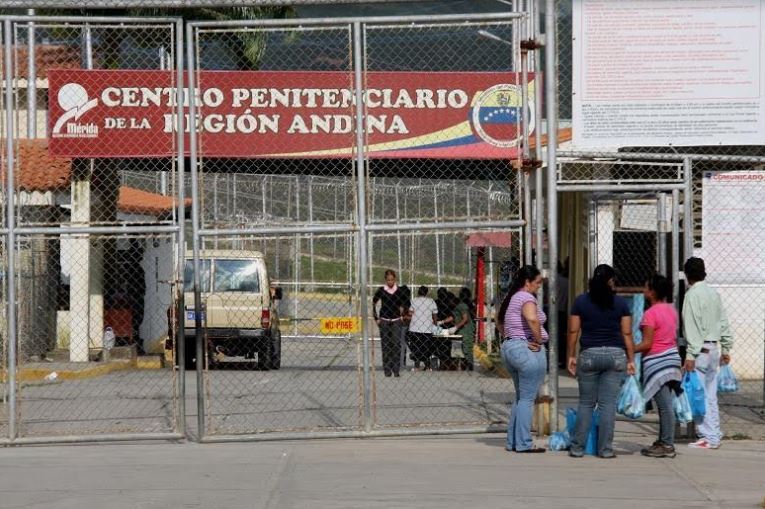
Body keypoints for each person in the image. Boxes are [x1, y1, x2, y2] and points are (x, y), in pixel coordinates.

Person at [567, 264, 635, 459]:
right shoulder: (620, 304)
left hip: (589, 354)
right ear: (610, 281)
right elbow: (627, 333)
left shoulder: (581, 302)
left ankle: (578, 448)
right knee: (607, 405)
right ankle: (605, 449)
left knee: (586, 403)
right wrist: (631, 359)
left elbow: (573, 331)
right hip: (615, 355)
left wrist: (571, 355)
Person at [681, 257, 733, 450]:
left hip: (700, 351)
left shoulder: (692, 296)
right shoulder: (713, 294)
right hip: (714, 349)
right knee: (710, 394)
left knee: (698, 394)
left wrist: (690, 355)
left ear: (687, 276)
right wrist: (726, 347)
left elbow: (692, 327)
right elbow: (723, 321)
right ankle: (714, 433)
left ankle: (707, 436)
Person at [497, 265, 548, 453]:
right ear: (527, 282)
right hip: (525, 350)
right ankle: (524, 443)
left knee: (520, 398)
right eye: (537, 282)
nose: (539, 286)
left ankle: (513, 441)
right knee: (527, 399)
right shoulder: (526, 298)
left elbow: (499, 322)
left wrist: (513, 338)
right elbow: (532, 319)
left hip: (510, 348)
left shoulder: (511, 298)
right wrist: (537, 339)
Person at [634, 274, 682, 458]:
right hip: (672, 359)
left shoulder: (650, 314)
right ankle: (664, 440)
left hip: (657, 363)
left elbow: (647, 343)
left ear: (652, 291)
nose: (644, 290)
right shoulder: (671, 310)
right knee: (666, 403)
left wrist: (629, 349)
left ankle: (667, 443)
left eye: (646, 287)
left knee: (664, 405)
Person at [372, 270, 407, 378]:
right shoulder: (382, 290)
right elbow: (373, 302)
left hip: (396, 320)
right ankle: (387, 369)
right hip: (384, 321)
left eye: (392, 280)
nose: (390, 282)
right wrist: (376, 318)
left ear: (395, 279)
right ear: (385, 280)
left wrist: (402, 316)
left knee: (396, 345)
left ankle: (396, 369)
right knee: (386, 346)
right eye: (388, 280)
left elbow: (405, 303)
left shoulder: (399, 291)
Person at [408, 285, 438, 371]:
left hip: (415, 328)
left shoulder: (414, 301)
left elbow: (410, 312)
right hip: (427, 329)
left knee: (416, 347)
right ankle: (428, 366)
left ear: (418, 292)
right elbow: (435, 315)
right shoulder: (431, 301)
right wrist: (435, 326)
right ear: (427, 293)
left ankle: (417, 366)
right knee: (426, 348)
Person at [454, 287, 476, 370]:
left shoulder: (462, 305)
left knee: (463, 349)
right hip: (467, 330)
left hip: (463, 330)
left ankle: (463, 366)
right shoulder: (470, 305)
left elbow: (465, 318)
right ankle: (467, 367)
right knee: (467, 350)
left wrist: (456, 327)